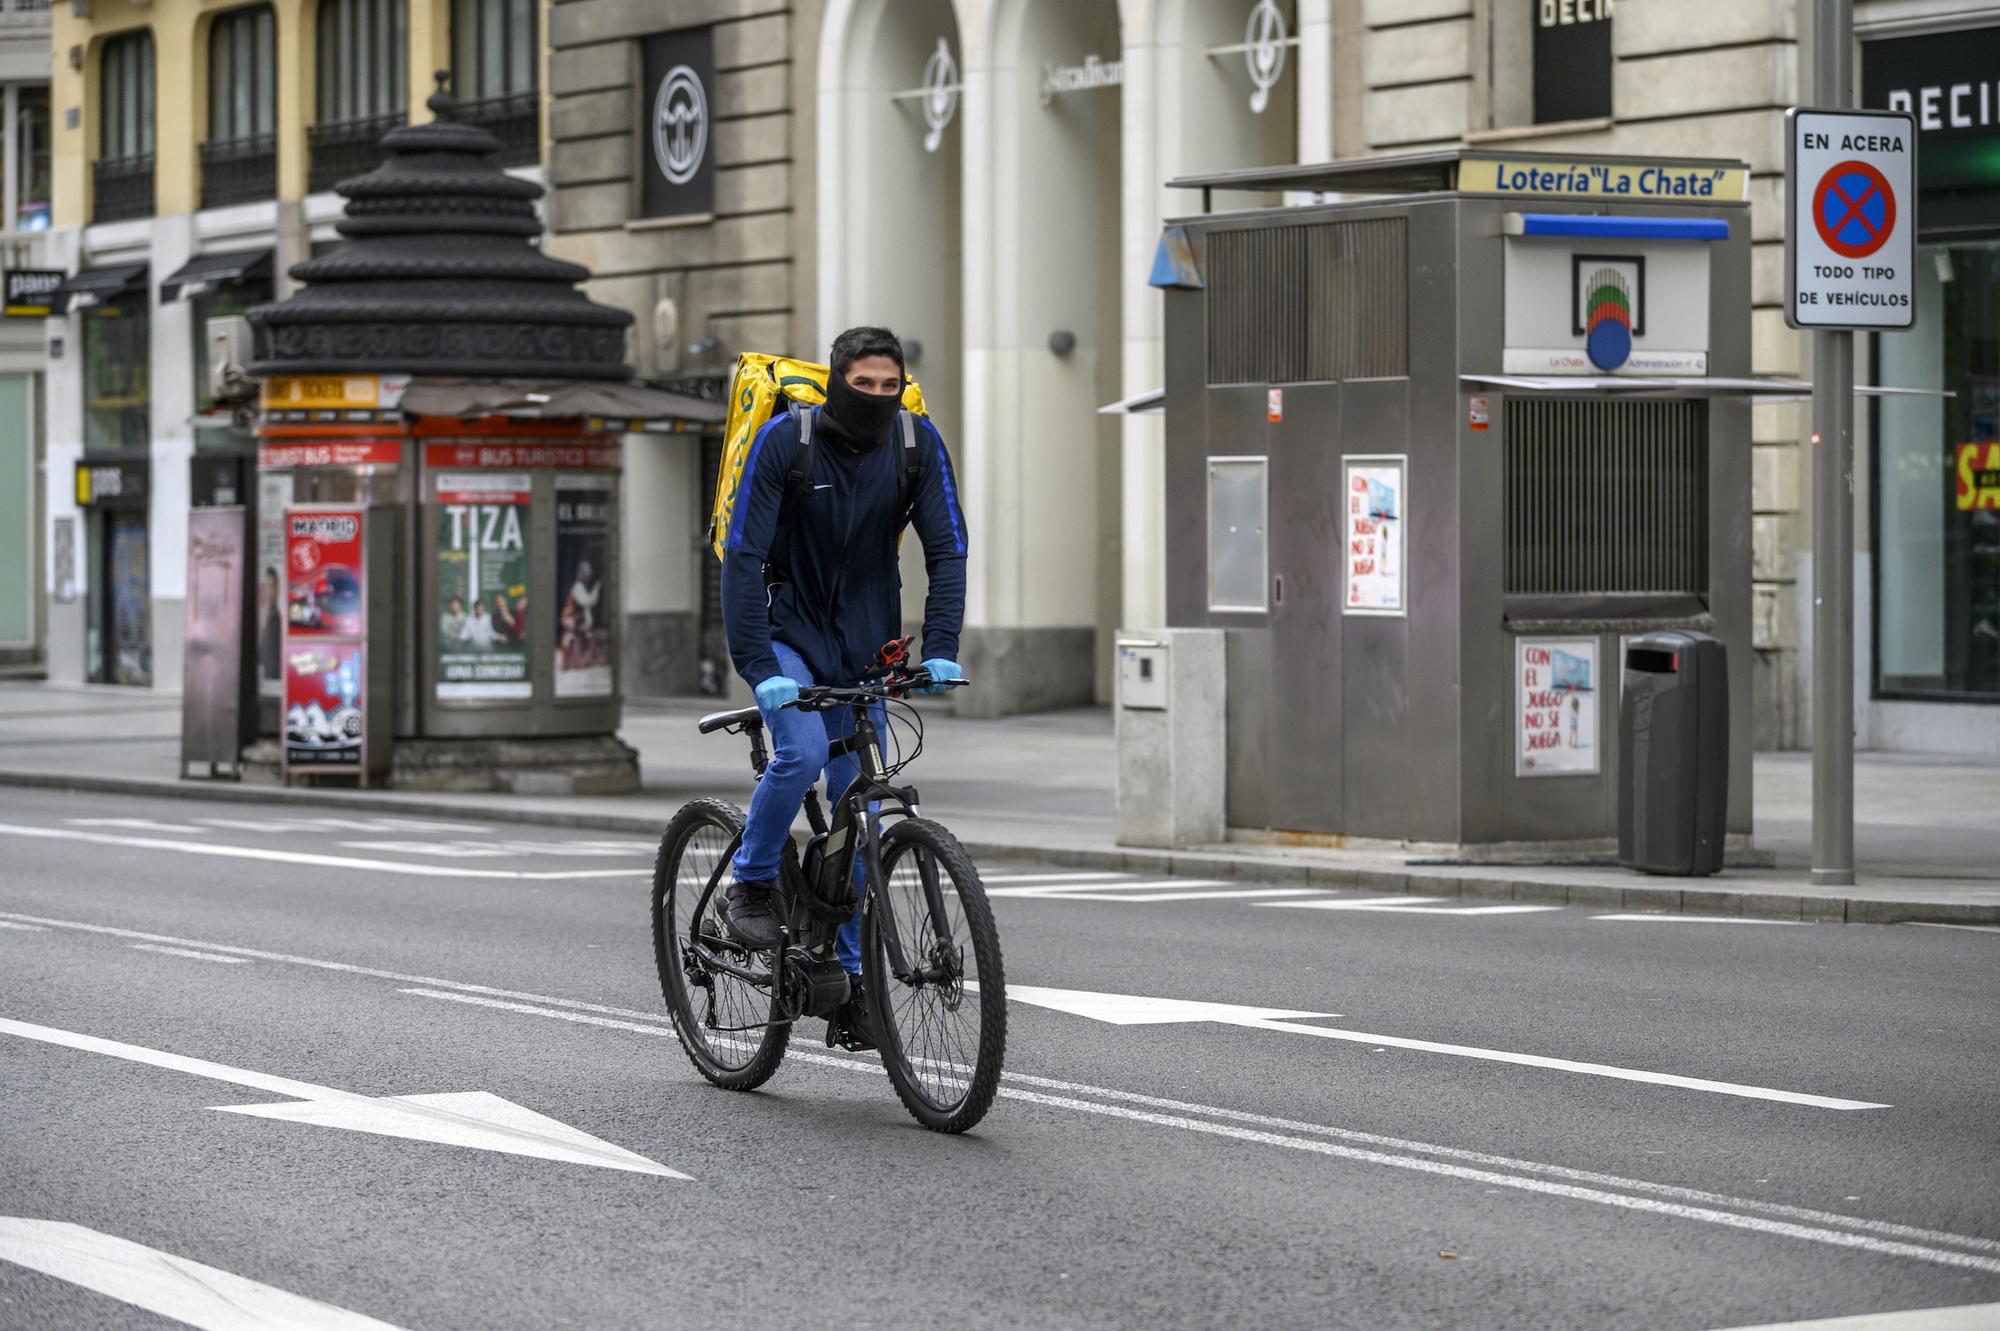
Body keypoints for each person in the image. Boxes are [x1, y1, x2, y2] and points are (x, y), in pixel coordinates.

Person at [719, 325, 967, 1049]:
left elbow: (947, 549)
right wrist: (760, 666)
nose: (878, 398)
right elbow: (742, 557)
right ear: (836, 382)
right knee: (797, 754)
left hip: (865, 649)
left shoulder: (915, 445)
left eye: (890, 387)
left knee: (859, 814)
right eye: (864, 385)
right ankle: (752, 880)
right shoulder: (785, 444)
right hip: (791, 636)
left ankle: (854, 985)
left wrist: (942, 648)